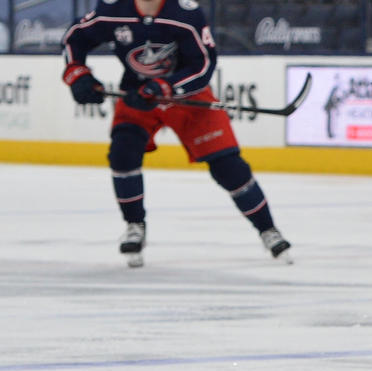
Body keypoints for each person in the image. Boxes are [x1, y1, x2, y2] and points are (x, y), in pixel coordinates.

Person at [61, 0, 291, 268]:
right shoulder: (113, 9)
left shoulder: (185, 13)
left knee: (229, 168)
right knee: (123, 152)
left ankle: (268, 229)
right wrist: (78, 75)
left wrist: (165, 87)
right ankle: (134, 225)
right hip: (137, 96)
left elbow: (203, 65)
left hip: (187, 98)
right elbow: (73, 39)